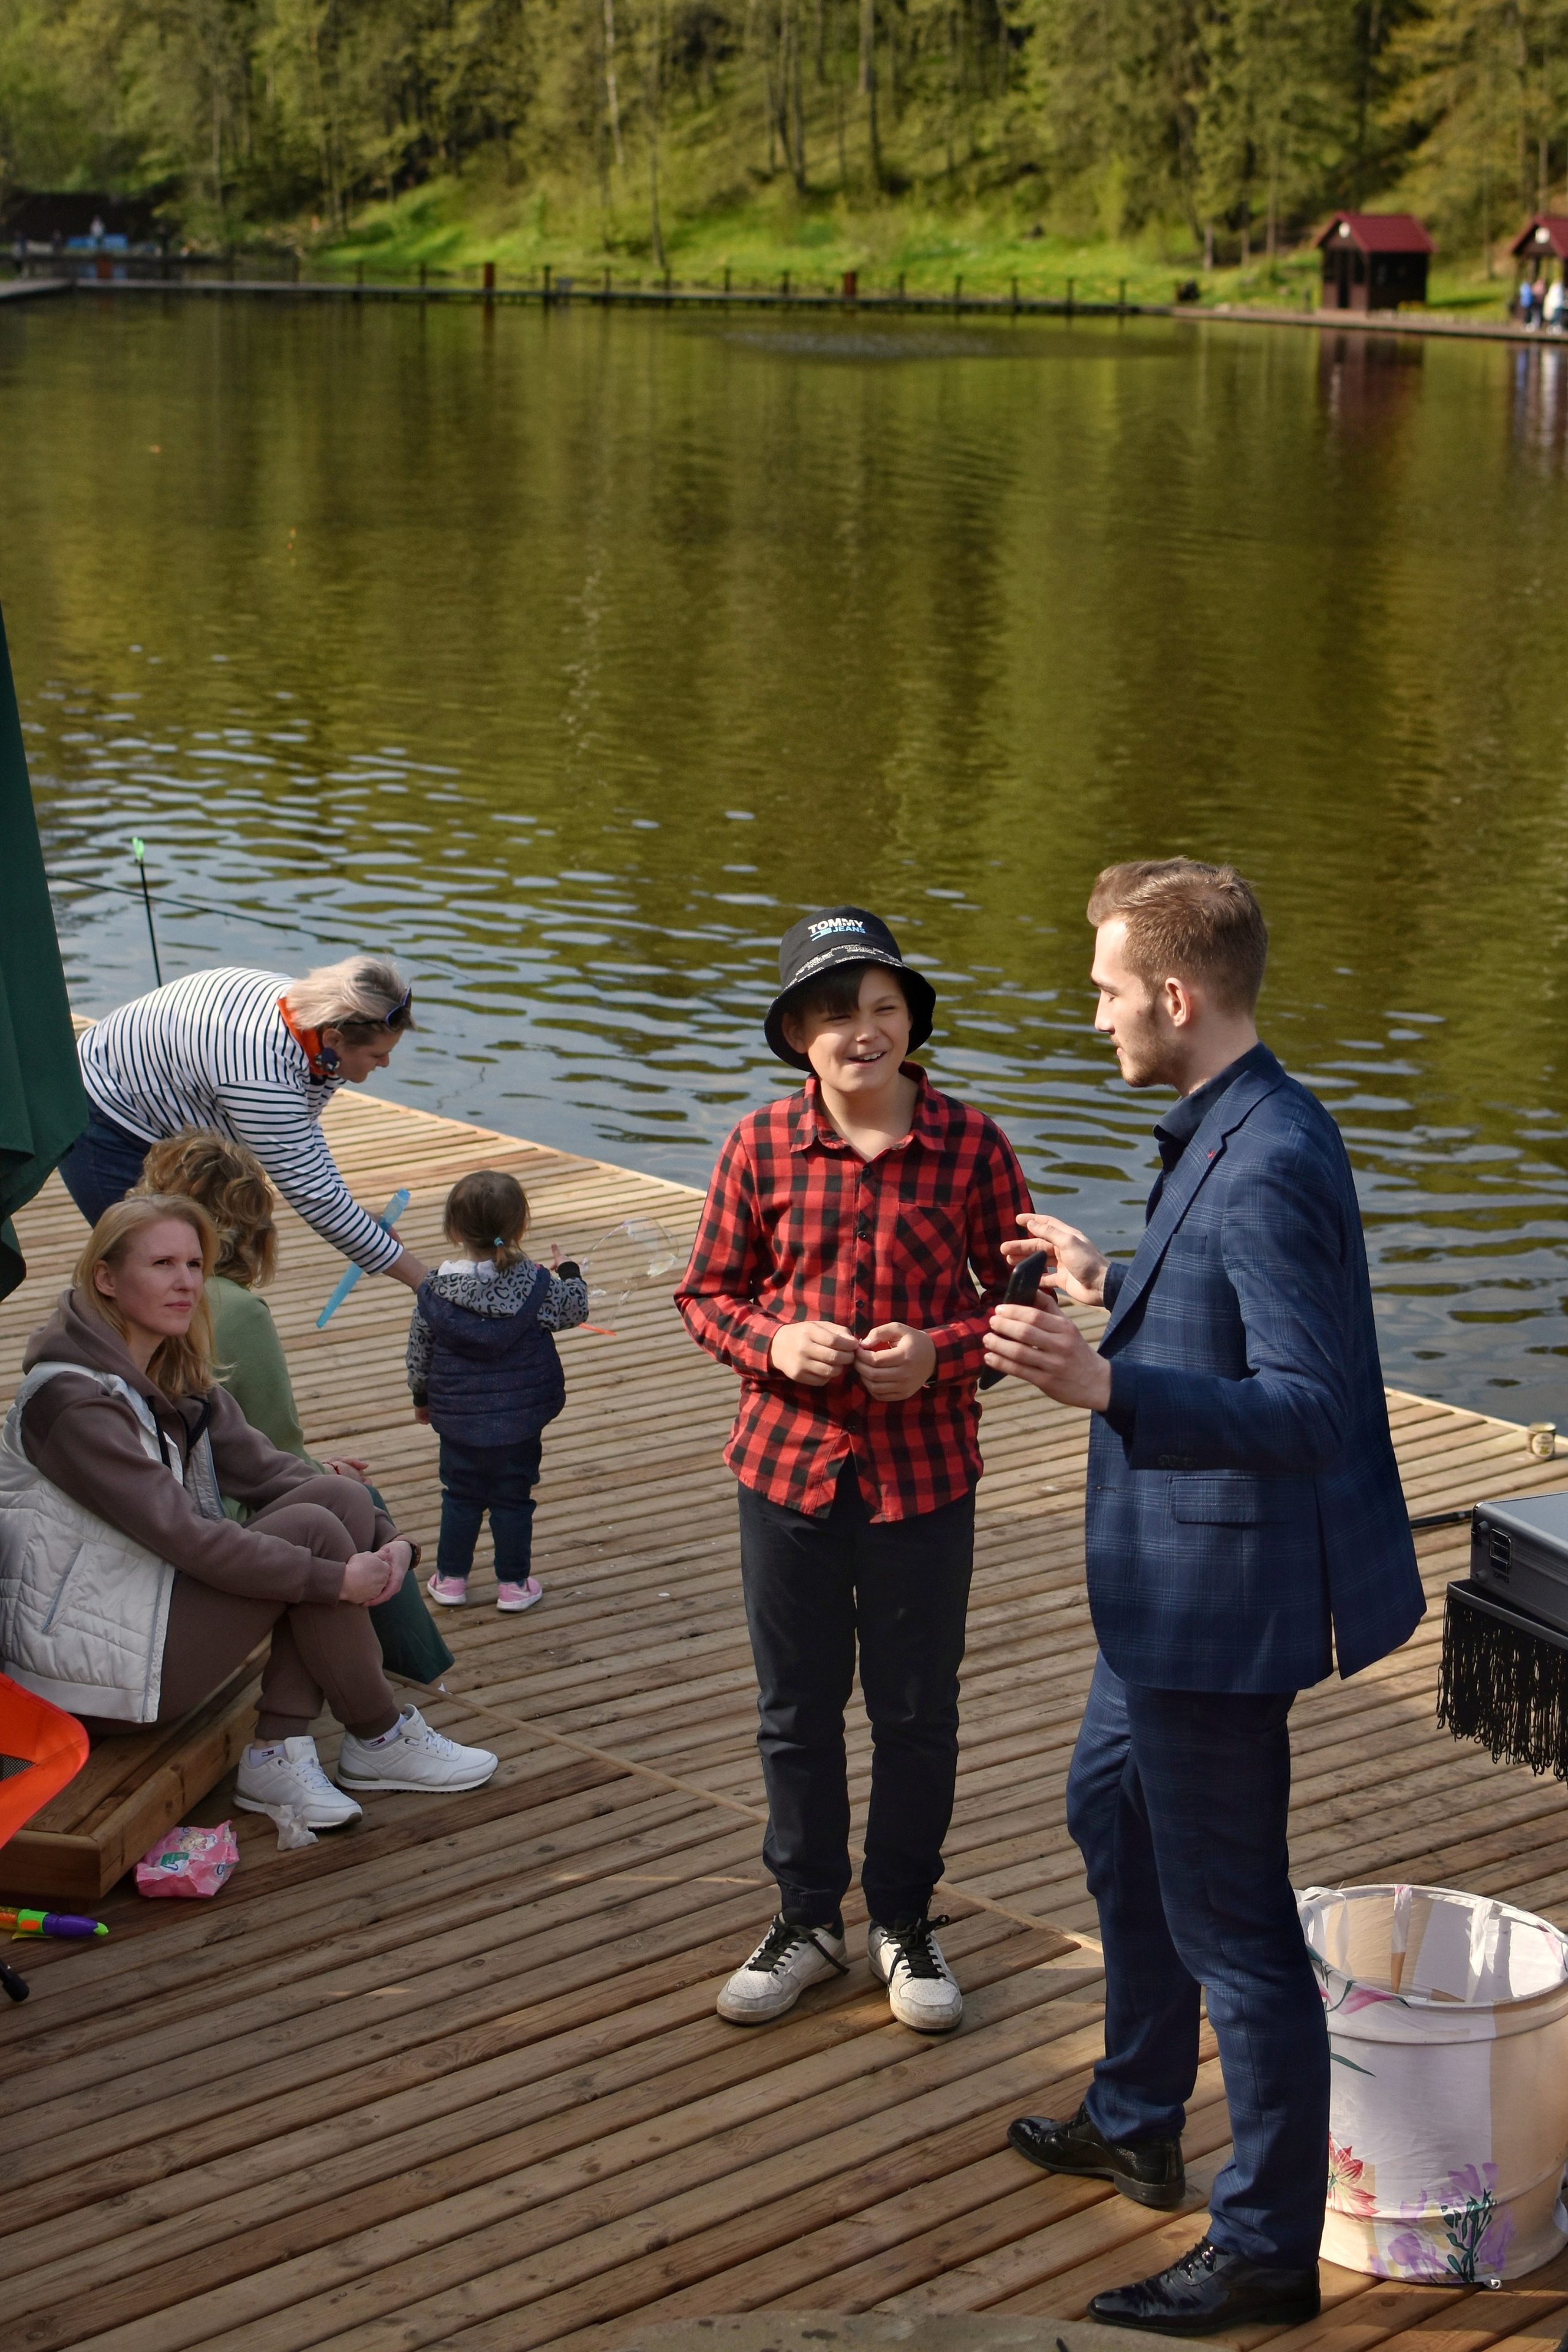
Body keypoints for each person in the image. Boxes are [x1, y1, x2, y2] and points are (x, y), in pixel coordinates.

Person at [984, 861, 1423, 2338]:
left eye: (1106, 987)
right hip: (1160, 1593)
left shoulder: (1275, 1151)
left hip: (1213, 1604)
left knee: (1235, 1929)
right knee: (1104, 1812)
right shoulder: (1227, 1126)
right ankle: (1135, 2106)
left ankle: (1260, 2249)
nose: (1091, 1009)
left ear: (1174, 996)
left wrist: (1104, 1378)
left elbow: (1310, 1404)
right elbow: (1227, 1314)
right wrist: (1109, 1284)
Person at [676, 908, 1033, 2034]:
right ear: (797, 1035)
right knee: (795, 1709)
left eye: (882, 1009)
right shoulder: (758, 1146)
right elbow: (707, 1295)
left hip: (927, 1476)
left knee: (917, 1711)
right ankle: (806, 1919)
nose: (862, 1031)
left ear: (910, 1026)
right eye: (836, 1013)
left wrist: (944, 1354)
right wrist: (772, 1341)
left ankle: (907, 1922)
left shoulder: (973, 1143)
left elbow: (1024, 1299)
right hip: (785, 1471)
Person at [0, 1194, 497, 1828]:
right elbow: (189, 1539)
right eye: (161, 1264)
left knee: (339, 1498)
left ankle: (283, 1750)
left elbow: (273, 1473)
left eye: (193, 1264)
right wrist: (333, 1578)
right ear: (106, 1278)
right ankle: (373, 1735)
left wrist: (390, 1539)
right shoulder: (73, 1404)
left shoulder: (171, 1373)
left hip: (145, 1616)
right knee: (315, 1534)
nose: (185, 1282)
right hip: (87, 1672)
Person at [135, 1128, 452, 1682]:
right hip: (199, 1522)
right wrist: (323, 1474)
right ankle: (414, 1677)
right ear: (251, 1225)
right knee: (350, 1499)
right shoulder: (231, 1310)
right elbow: (273, 1449)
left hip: (156, 1495)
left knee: (334, 1491)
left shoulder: (123, 1290)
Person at [58, 957, 429, 1291]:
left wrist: (355, 1213)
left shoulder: (312, 1020)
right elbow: (314, 1197)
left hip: (166, 1096)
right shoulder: (260, 1076)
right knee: (152, 1271)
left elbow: (303, 1127)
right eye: (378, 1055)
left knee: (194, 1268)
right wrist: (421, 1280)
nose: (385, 1064)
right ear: (334, 1038)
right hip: (102, 1113)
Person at [407, 1169, 589, 1611]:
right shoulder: (539, 1284)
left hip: (459, 1422)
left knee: (460, 1497)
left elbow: (420, 1352)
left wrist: (422, 1397)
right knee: (512, 1499)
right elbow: (575, 1309)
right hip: (519, 1422)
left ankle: (450, 1579)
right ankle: (514, 1585)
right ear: (520, 1227)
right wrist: (569, 1271)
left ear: (453, 1230)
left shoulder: (434, 1290)